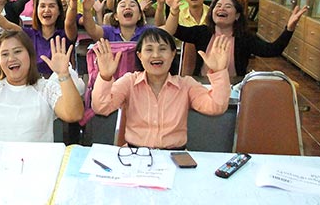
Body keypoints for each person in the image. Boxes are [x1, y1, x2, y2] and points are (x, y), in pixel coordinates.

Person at [92, 28, 231, 149]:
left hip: (174, 156)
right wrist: (105, 76)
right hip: (134, 155)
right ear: (139, 55)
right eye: (149, 49)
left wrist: (219, 71)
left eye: (162, 49)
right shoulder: (129, 82)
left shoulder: (186, 85)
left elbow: (216, 106)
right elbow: (101, 108)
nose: (156, 55)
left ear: (172, 54)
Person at [0, 29, 83, 142]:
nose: (11, 58)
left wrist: (63, 74)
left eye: (17, 51)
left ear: (30, 55)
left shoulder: (46, 88)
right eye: (5, 54)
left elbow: (74, 114)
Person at [171, 0, 308, 76]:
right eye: (218, 6)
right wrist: (171, 9)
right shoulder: (201, 32)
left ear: (237, 15)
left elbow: (273, 50)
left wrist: (289, 28)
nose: (221, 8)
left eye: (228, 6)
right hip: (203, 85)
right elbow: (174, 30)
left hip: (234, 87)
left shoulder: (245, 38)